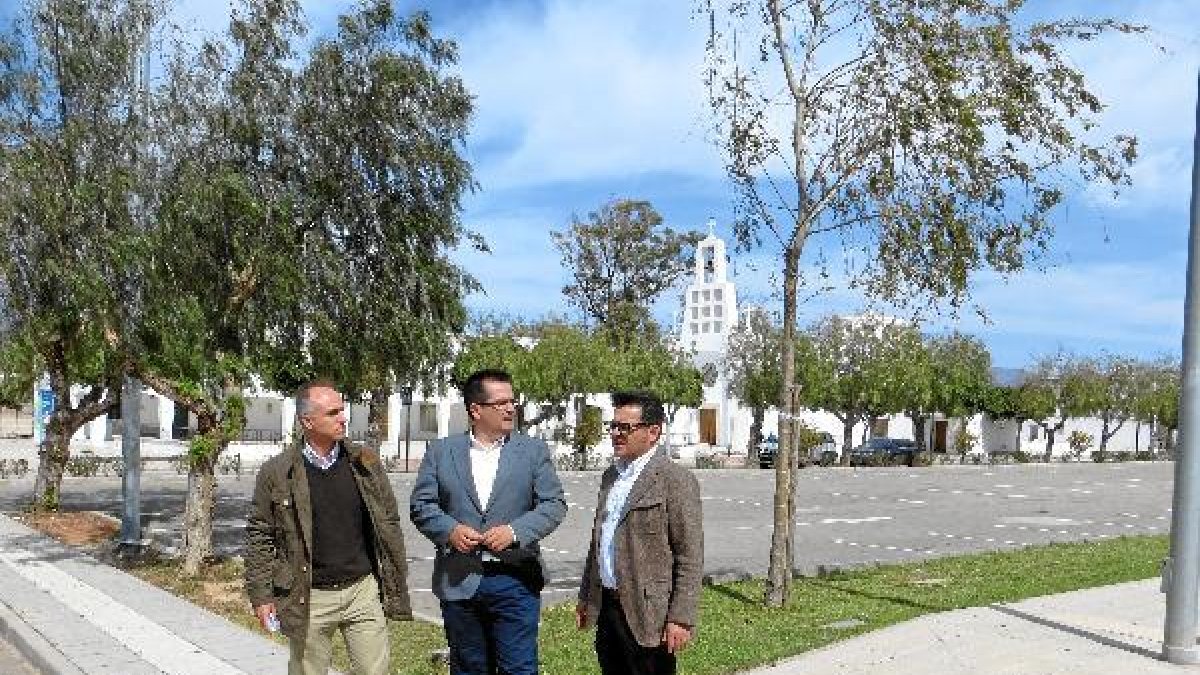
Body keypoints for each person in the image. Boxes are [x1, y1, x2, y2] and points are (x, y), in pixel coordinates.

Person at [245, 380, 411, 675]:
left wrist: (393, 577)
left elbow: (389, 522)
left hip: (362, 590)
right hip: (308, 595)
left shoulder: (366, 462)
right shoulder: (277, 472)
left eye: (342, 410)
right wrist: (261, 596)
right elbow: (260, 535)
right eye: (333, 413)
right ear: (307, 421)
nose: (343, 418)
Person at [410, 368, 566, 675]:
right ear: (476, 410)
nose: (511, 408)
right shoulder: (442, 452)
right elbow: (421, 505)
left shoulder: (533, 451)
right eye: (501, 403)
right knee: (469, 667)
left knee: (519, 668)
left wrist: (515, 531)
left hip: (515, 579)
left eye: (513, 401)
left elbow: (553, 504)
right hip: (459, 579)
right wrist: (449, 530)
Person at [576, 390, 704, 675]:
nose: (616, 434)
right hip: (608, 608)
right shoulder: (611, 476)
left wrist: (681, 618)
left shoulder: (675, 480)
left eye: (626, 428)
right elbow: (598, 541)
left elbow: (690, 555)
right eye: (614, 426)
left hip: (649, 613)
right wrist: (586, 596)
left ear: (653, 432)